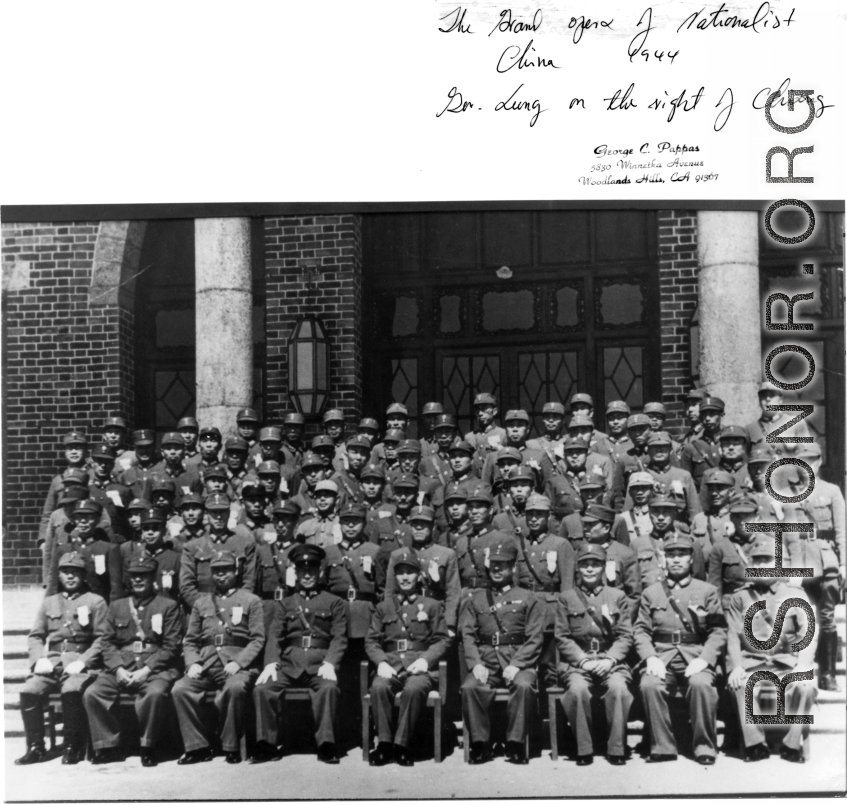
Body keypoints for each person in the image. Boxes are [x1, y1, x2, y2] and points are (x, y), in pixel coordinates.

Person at [634, 532, 727, 765]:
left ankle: (704, 746)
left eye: (682, 554)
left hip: (695, 654)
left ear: (690, 558)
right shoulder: (651, 592)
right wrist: (650, 658)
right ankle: (663, 746)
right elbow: (641, 631)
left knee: (701, 684)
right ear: (664, 559)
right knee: (650, 684)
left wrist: (705, 659)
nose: (676, 559)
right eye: (671, 554)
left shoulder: (707, 591)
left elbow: (718, 631)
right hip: (662, 655)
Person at [252, 544, 348, 765]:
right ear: (295, 573)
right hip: (290, 663)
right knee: (263, 689)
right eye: (302, 571)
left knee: (328, 688)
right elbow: (275, 636)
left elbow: (339, 637)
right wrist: (271, 664)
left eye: (312, 570)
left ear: (320, 572)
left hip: (319, 663)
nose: (307, 575)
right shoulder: (285, 604)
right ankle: (266, 743)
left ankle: (326, 744)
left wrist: (331, 662)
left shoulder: (334, 602)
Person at [83, 555, 183, 766]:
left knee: (155, 694)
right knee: (93, 693)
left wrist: (146, 670)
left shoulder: (168, 605)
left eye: (143, 576)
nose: (138, 580)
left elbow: (171, 646)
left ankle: (148, 746)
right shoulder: (117, 605)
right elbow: (107, 643)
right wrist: (118, 669)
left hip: (155, 667)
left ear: (152, 577)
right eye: (135, 576)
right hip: (122, 665)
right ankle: (109, 746)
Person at [725, 537, 817, 763]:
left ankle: (791, 744)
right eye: (756, 561)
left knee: (805, 684)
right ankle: (755, 744)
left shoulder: (795, 594)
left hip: (786, 663)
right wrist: (735, 665)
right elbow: (733, 635)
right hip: (750, 663)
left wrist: (804, 664)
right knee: (741, 683)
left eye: (767, 560)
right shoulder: (740, 597)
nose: (760, 565)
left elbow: (809, 634)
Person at [173, 550, 265, 764]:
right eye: (216, 571)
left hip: (236, 664)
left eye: (226, 570)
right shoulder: (201, 603)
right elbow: (190, 640)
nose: (221, 575)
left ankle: (230, 746)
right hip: (207, 664)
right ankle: (197, 747)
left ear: (236, 571)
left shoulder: (251, 600)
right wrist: (193, 662)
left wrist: (239, 662)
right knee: (180, 689)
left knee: (234, 688)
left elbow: (258, 639)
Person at [16, 551, 107, 765]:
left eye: (75, 572)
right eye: (65, 572)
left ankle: (72, 746)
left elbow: (103, 639)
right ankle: (36, 747)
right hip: (53, 661)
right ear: (58, 575)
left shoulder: (96, 601)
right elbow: (36, 636)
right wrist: (39, 659)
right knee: (28, 690)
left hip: (80, 662)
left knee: (71, 690)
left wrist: (84, 661)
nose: (70, 577)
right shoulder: (49, 603)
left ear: (84, 576)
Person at [460, 535, 544, 765]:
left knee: (524, 686)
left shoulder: (528, 598)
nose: (497, 569)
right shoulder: (475, 599)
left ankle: (515, 743)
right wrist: (475, 663)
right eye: (493, 564)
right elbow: (467, 635)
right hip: (486, 661)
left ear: (513, 567)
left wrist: (516, 664)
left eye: (503, 564)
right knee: (469, 687)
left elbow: (535, 637)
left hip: (518, 660)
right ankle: (481, 744)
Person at [365, 550, 452, 766]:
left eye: (410, 572)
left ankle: (402, 745)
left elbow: (442, 639)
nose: (405, 577)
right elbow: (371, 641)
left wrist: (426, 661)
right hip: (391, 665)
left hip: (420, 665)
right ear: (394, 577)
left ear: (419, 575)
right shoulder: (383, 607)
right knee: (378, 687)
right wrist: (381, 662)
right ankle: (384, 745)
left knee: (413, 689)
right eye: (400, 573)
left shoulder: (432, 605)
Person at [555, 542, 634, 766]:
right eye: (585, 565)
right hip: (579, 662)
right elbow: (562, 636)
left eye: (595, 565)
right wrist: (583, 660)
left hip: (611, 661)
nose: (590, 569)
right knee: (578, 689)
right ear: (578, 569)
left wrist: (610, 660)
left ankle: (617, 748)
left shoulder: (617, 596)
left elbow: (625, 635)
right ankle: (584, 748)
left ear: (603, 568)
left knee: (618, 687)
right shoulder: (567, 597)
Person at [785, 443, 844, 691]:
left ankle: (828, 674)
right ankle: (802, 670)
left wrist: (844, 563)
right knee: (804, 617)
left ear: (819, 462)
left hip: (827, 558)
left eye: (811, 460)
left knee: (827, 617)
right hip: (802, 563)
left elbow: (842, 529)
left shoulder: (831, 491)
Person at [512, 493, 575, 685]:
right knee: (526, 663)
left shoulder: (560, 544)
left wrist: (564, 615)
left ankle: (552, 711)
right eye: (529, 514)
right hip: (524, 610)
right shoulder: (518, 544)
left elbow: (567, 585)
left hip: (550, 610)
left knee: (550, 666)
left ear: (548, 516)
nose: (533, 518)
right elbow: (514, 582)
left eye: (539, 514)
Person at [384, 505, 460, 635]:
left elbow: (453, 592)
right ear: (409, 527)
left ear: (433, 526)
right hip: (407, 614)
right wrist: (392, 620)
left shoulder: (446, 554)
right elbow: (390, 592)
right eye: (415, 524)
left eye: (424, 524)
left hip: (437, 614)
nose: (419, 527)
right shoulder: (397, 555)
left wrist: (449, 623)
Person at [179, 493, 257, 611]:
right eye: (214, 512)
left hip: (236, 611)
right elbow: (186, 586)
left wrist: (236, 607)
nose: (219, 517)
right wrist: (207, 609)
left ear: (229, 513)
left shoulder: (245, 544)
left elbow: (248, 583)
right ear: (206, 514)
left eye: (223, 512)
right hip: (203, 612)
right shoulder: (192, 547)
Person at [49, 499, 122, 603]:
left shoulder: (108, 549)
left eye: (89, 517)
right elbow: (54, 586)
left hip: (99, 606)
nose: (83, 521)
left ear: (97, 520)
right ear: (74, 520)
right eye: (79, 517)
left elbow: (116, 589)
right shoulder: (63, 550)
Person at [581, 502, 641, 618]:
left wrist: (621, 622)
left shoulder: (625, 554)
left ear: (606, 528)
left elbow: (634, 596)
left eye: (591, 525)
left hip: (615, 618)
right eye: (585, 524)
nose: (586, 528)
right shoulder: (579, 553)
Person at [708, 493, 765, 610]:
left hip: (761, 605)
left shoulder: (769, 543)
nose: (742, 521)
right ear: (731, 518)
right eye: (737, 516)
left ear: (757, 516)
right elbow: (715, 586)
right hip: (731, 607)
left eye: (747, 516)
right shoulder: (721, 546)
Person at [118, 507, 182, 605]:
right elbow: (127, 588)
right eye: (146, 528)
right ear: (142, 532)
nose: (150, 532)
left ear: (164, 531)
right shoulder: (133, 559)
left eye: (155, 528)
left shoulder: (175, 559)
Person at [744, 380, 812, 458]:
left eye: (772, 395)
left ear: (780, 400)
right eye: (763, 396)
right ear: (759, 401)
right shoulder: (750, 429)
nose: (768, 399)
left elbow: (807, 456)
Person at [679, 395, 724, 491]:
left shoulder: (732, 443)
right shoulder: (691, 447)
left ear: (722, 414)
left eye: (712, 414)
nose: (707, 418)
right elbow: (686, 482)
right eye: (704, 414)